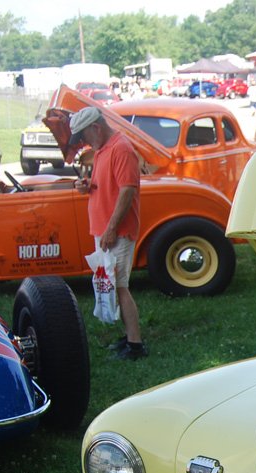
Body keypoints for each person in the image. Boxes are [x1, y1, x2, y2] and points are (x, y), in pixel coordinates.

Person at [70, 106, 146, 360]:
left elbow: (127, 190)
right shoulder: (103, 149)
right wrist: (87, 187)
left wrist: (112, 228)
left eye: (84, 135)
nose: (84, 142)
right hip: (105, 230)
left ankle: (135, 345)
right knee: (114, 285)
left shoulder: (121, 149)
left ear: (96, 127)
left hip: (117, 231)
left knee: (120, 286)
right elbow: (108, 186)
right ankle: (129, 337)